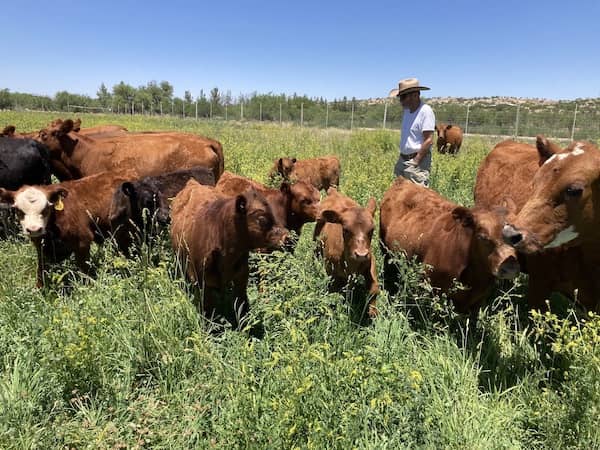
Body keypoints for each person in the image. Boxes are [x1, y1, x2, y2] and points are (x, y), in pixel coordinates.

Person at [389, 78, 435, 187]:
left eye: (403, 97)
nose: (401, 101)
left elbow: (428, 140)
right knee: (400, 194)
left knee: (418, 198)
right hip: (403, 159)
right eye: (400, 97)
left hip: (417, 162)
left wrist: (416, 161)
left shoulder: (425, 111)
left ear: (415, 95)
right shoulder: (407, 111)